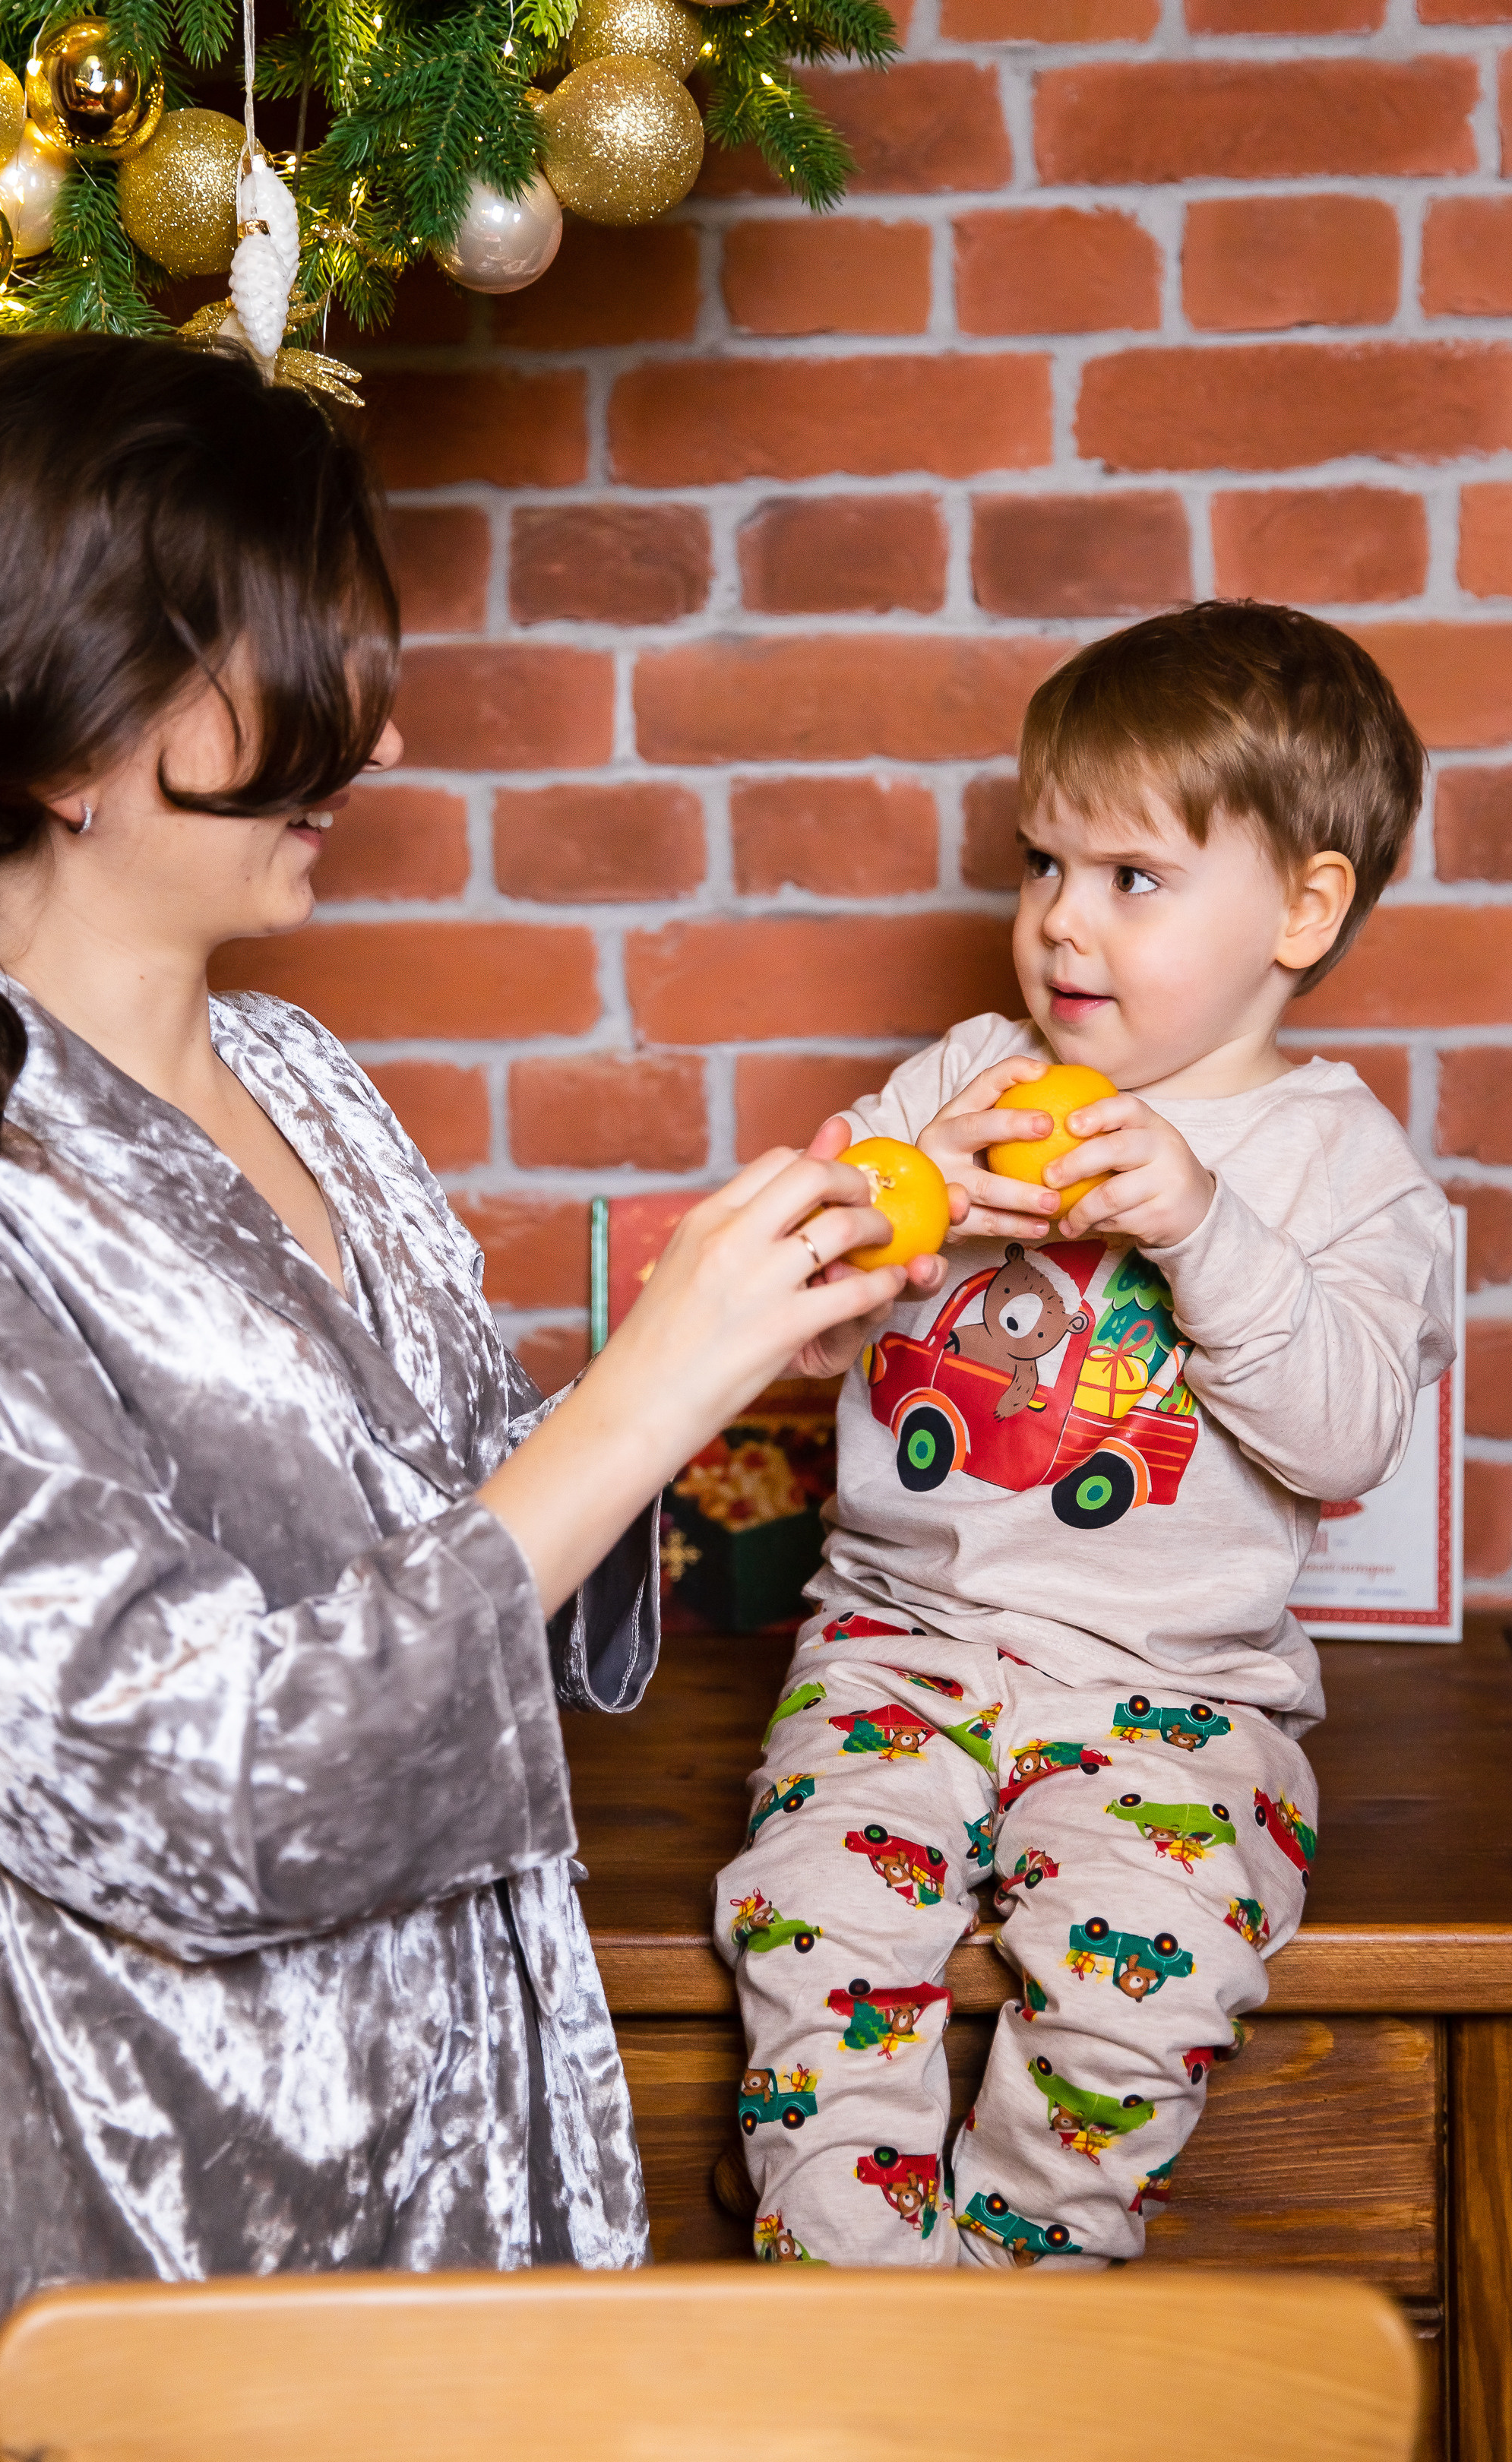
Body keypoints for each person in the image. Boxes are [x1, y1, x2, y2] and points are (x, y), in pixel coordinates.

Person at [0, 334, 925, 2462]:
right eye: (299, 662)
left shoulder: (305, 1079)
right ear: (77, 723)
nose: (384, 728)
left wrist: (717, 1363)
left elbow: (450, 1534)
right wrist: (641, 1395)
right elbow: (193, 1787)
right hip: (136, 2195)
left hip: (457, 2122)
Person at [718, 602, 1455, 2270]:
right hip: (898, 1645)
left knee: (1144, 1978)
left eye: (1132, 877)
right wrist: (891, 1211)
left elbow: (1345, 1439)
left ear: (1303, 908)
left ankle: (1021, 2313)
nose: (1061, 919)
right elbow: (799, 1310)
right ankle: (852, 2305)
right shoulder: (968, 1076)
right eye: (1043, 863)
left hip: (1176, 1696)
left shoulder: (1341, 1169)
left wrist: (1203, 1225)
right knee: (813, 1930)